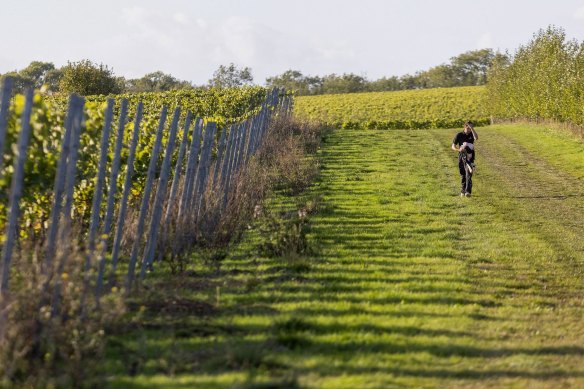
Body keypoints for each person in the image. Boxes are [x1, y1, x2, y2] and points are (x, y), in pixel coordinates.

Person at [452, 121, 478, 197]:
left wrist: (472, 129)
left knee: (469, 173)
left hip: (470, 156)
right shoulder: (459, 135)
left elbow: (476, 138)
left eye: (471, 128)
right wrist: (458, 149)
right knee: (463, 174)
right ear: (465, 126)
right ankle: (463, 190)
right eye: (468, 128)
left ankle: (468, 192)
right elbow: (453, 146)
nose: (470, 129)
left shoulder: (472, 134)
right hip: (461, 156)